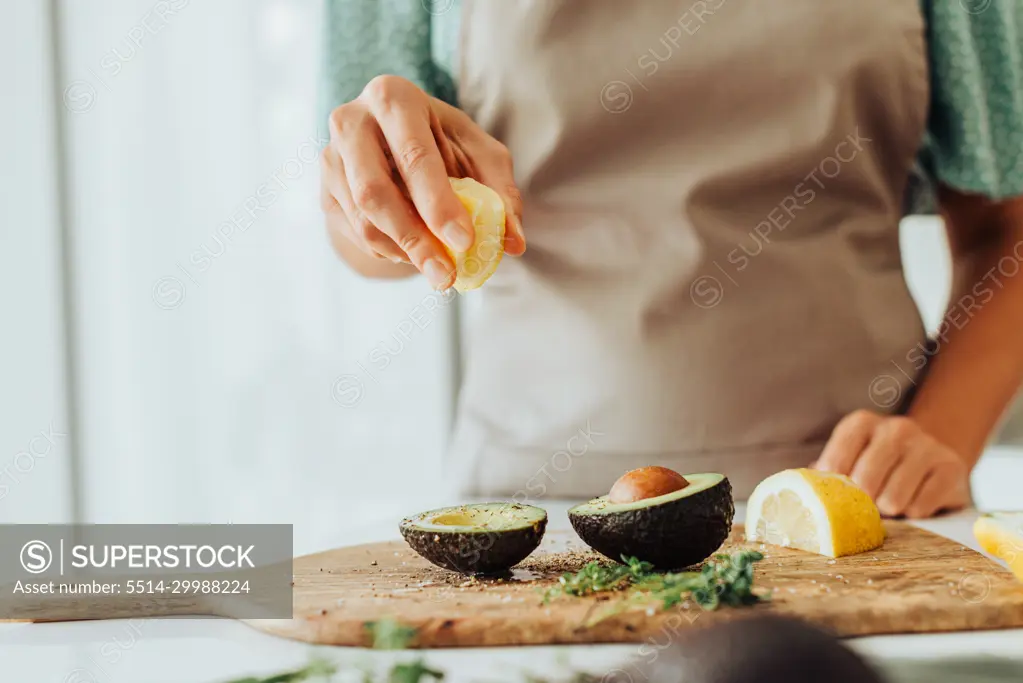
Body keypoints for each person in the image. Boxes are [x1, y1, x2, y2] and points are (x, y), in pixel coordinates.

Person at [318, 0, 1023, 517]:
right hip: (531, 520)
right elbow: (368, 242)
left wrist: (939, 439)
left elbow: (1007, 231)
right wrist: (385, 195)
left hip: (850, 512)